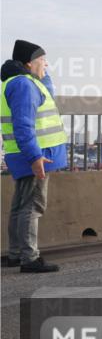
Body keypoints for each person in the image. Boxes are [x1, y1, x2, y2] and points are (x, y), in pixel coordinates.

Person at [1, 40, 66, 273]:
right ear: (29, 63)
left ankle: (16, 254)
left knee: (20, 204)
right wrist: (34, 157)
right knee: (33, 204)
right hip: (36, 154)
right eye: (42, 60)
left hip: (25, 153)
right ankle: (30, 257)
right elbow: (24, 125)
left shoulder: (20, 82)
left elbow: (46, 95)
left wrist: (44, 75)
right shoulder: (24, 86)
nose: (46, 64)